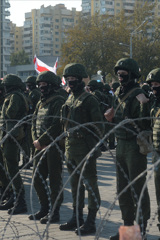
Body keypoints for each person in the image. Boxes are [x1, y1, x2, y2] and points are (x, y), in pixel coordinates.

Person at [105, 58, 150, 240]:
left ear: (131, 74)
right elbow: (118, 119)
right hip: (120, 144)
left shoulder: (139, 93)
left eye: (124, 74)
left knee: (137, 189)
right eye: (118, 74)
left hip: (134, 145)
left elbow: (143, 123)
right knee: (122, 190)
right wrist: (111, 117)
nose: (120, 77)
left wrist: (144, 104)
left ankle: (141, 230)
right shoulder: (118, 92)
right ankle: (129, 231)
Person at [60, 63, 103, 235]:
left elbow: (99, 126)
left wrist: (95, 147)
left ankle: (91, 221)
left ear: (80, 79)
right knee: (75, 185)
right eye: (68, 79)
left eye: (73, 79)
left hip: (85, 148)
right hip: (71, 147)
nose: (71, 82)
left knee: (90, 184)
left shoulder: (89, 99)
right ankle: (76, 216)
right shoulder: (70, 98)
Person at [28, 71, 66, 224]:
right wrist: (35, 140)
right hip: (39, 146)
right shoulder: (40, 102)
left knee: (54, 181)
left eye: (44, 85)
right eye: (40, 85)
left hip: (53, 146)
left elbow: (56, 124)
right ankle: (44, 207)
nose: (41, 87)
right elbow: (33, 123)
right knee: (37, 178)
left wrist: (42, 140)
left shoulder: (58, 101)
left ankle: (54, 211)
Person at [0, 74, 29, 215]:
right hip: (8, 135)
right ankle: (13, 196)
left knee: (12, 168)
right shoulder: (13, 96)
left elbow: (10, 114)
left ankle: (20, 200)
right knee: (8, 168)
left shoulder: (15, 97)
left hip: (12, 136)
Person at [146, 68, 160, 234]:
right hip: (155, 152)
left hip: (135, 154)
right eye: (152, 85)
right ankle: (132, 232)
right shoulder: (151, 102)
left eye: (157, 84)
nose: (154, 88)